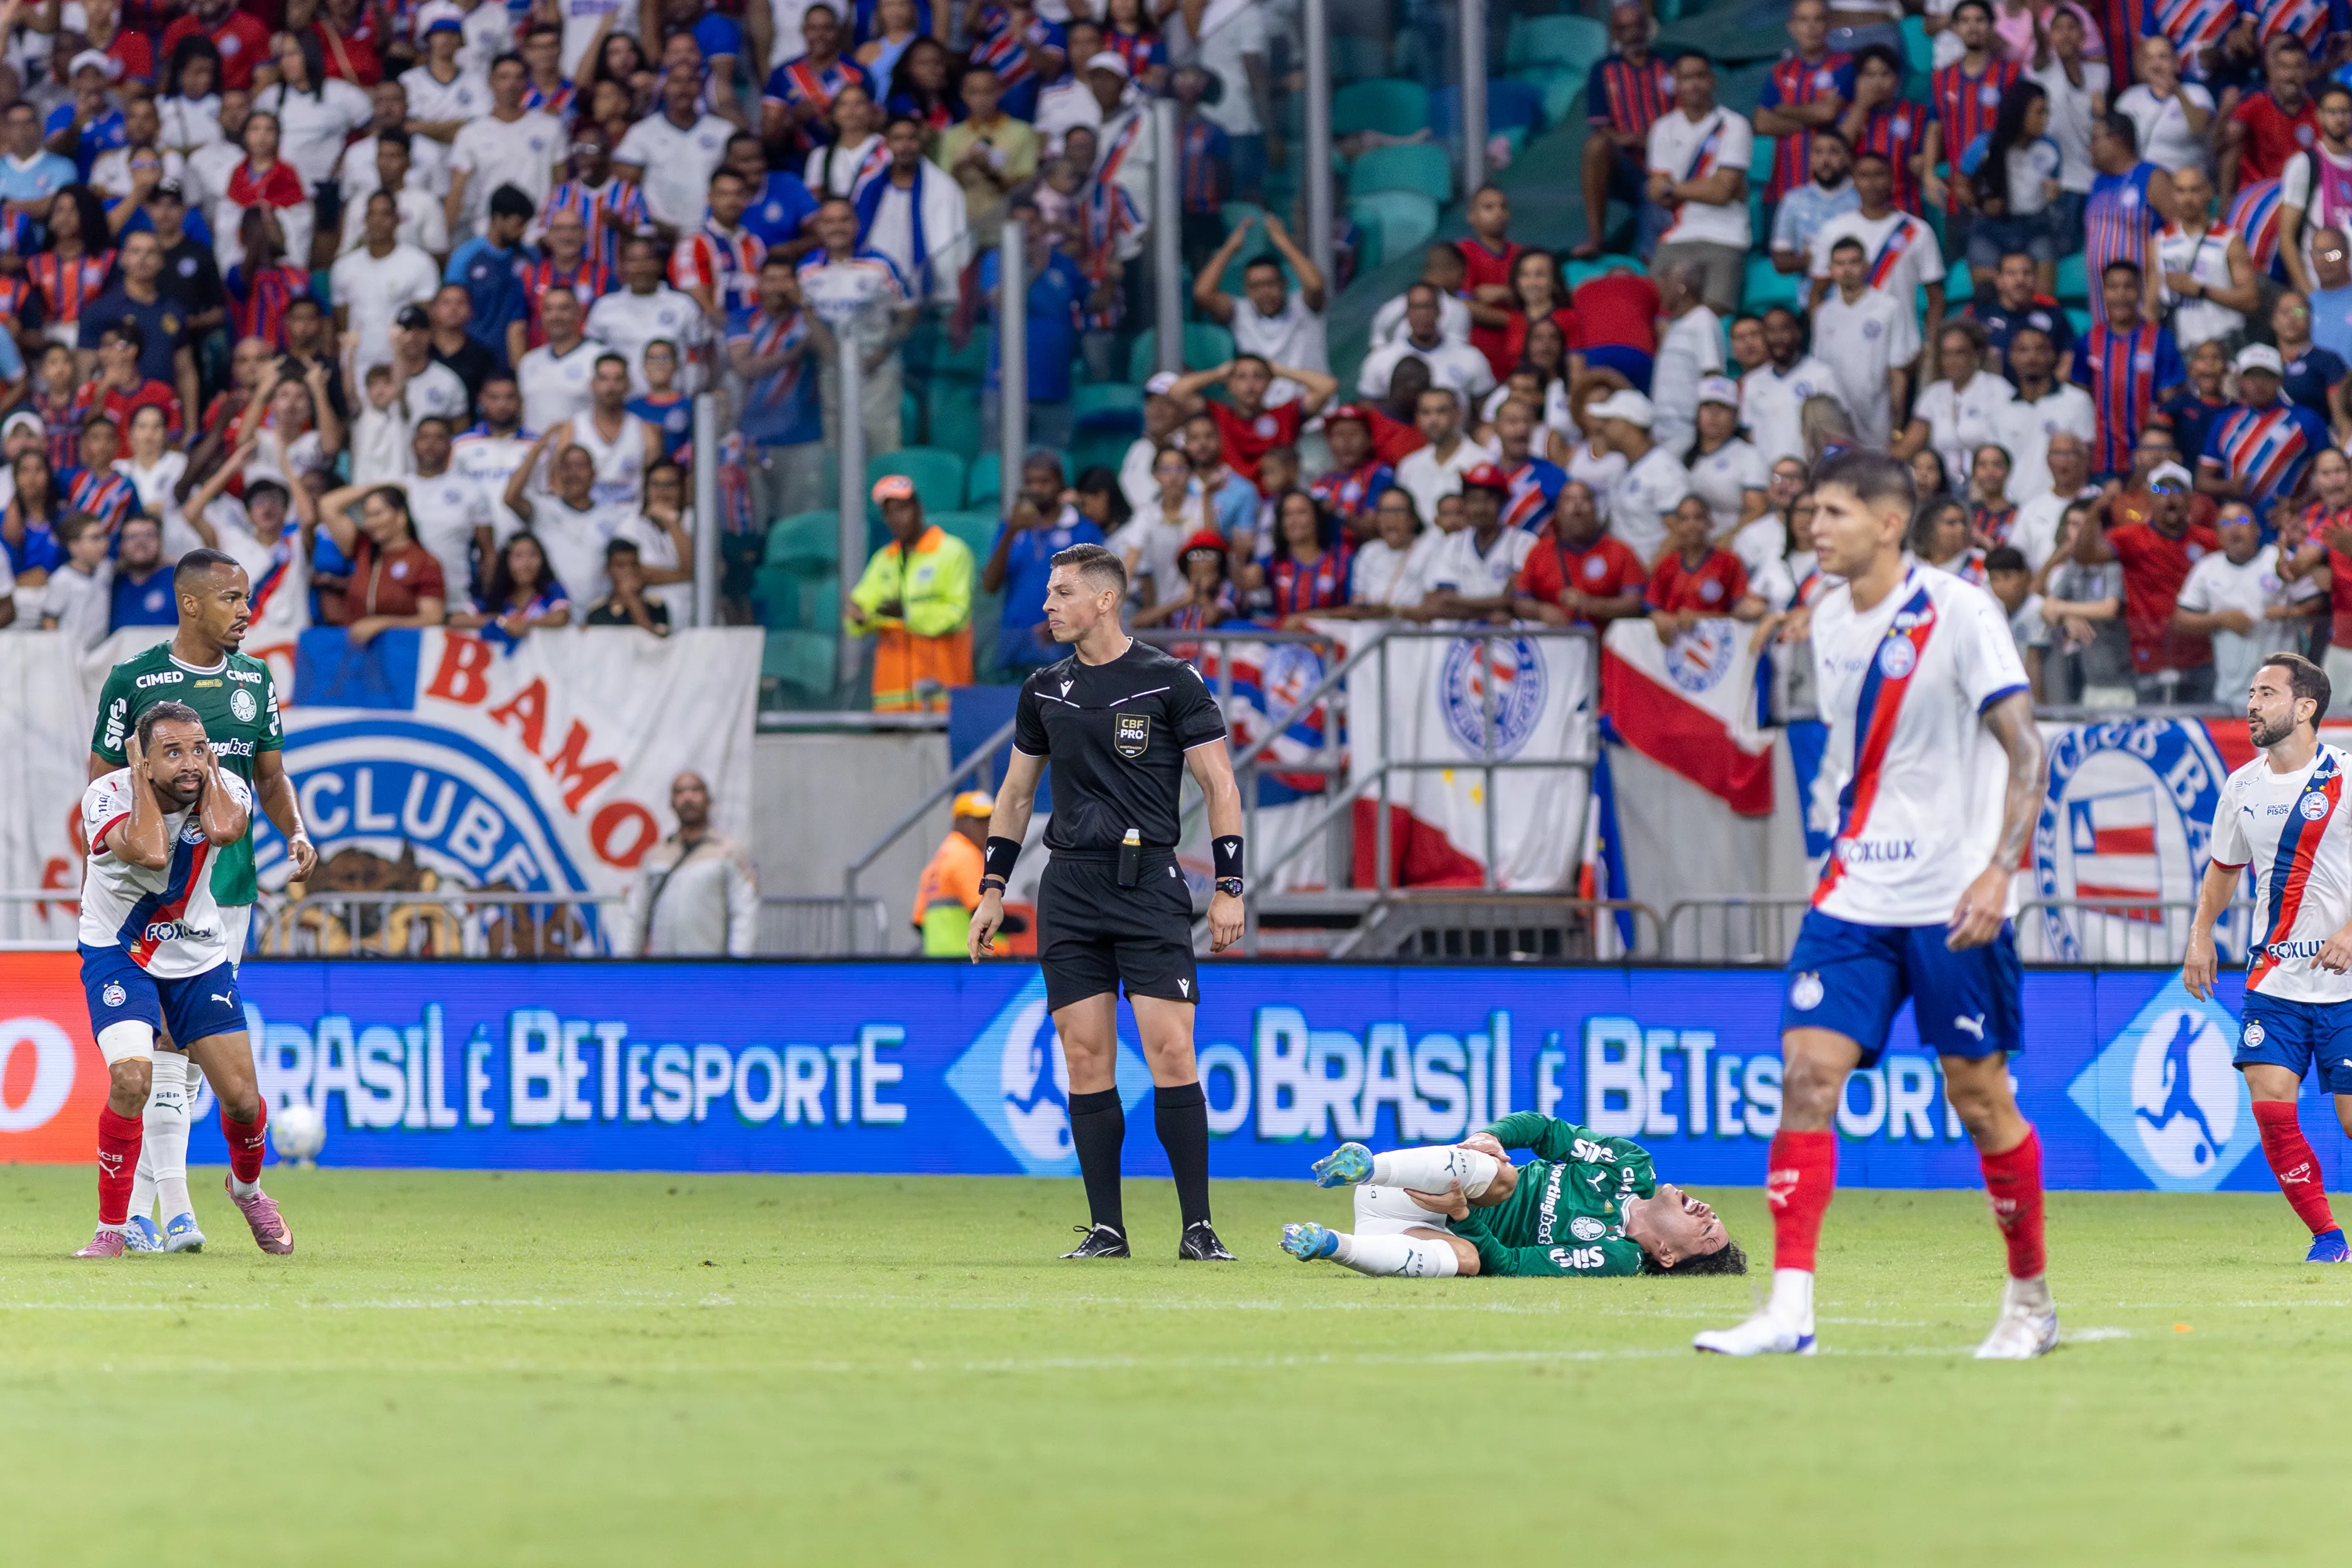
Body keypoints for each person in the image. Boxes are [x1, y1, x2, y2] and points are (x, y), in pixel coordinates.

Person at [1693, 449, 2052, 1361]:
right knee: (1807, 1078)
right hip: (1855, 892)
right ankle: (1790, 1311)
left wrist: (2000, 871)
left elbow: (2028, 749)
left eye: (1833, 513)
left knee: (1979, 1099)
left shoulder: (1961, 611)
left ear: (1889, 524)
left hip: (1953, 899)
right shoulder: (1825, 617)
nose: (1813, 526)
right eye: (1811, 511)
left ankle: (2030, 1302)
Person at [966, 542, 1244, 1261]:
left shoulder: (1171, 680)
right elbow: (1016, 795)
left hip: (1149, 883)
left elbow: (1219, 784)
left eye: (1062, 593)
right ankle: (1107, 1229)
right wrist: (992, 889)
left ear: (1105, 599)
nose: (1048, 605)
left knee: (1171, 1050)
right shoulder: (1043, 689)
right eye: (1049, 592)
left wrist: (1229, 886)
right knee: (1085, 1057)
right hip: (1069, 887)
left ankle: (1198, 1227)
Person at [85, 546, 313, 1254]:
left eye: (247, 598)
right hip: (143, 897)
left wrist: (296, 831)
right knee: (156, 1052)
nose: (246, 610)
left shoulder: (255, 679)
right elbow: (104, 782)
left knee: (190, 1062)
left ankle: (160, 1211)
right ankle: (159, 1213)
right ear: (191, 603)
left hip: (222, 888)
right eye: (232, 599)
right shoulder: (133, 678)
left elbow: (269, 777)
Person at [72, 702, 288, 1260]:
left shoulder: (224, 788)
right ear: (142, 760)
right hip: (120, 953)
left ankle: (248, 1191)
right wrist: (139, 776)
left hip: (197, 954)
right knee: (131, 1080)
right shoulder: (105, 796)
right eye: (173, 753)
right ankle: (113, 1227)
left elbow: (226, 829)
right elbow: (150, 851)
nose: (190, 762)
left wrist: (206, 768)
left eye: (198, 749)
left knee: (243, 1102)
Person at [2182, 655, 2352, 1265]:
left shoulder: (2346, 776)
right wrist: (2200, 934)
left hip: (2346, 985)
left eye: (2267, 693)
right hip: (2274, 978)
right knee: (2270, 1105)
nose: (2251, 704)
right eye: (2252, 692)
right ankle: (2329, 1239)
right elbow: (2224, 869)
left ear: (2305, 707)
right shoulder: (2241, 786)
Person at [1283, 1111, 1741, 1278]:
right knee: (1502, 1176)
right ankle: (1367, 1167)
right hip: (1410, 1183)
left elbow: (1507, 1264)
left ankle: (1330, 1245)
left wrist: (1462, 1217)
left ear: (1666, 1254)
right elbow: (1543, 1130)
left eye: (1707, 1233)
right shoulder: (1629, 1165)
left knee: (1471, 1262)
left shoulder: (1618, 1256)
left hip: (1405, 1237)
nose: (1709, 1214)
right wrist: (1491, 1136)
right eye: (1715, 1220)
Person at [2071, 460, 2221, 702]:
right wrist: (2096, 511)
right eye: (2160, 490)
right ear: (2149, 498)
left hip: (2200, 659)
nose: (2169, 497)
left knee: (2201, 724)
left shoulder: (2210, 541)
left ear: (2191, 499)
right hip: (2149, 658)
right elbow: (2085, 556)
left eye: (2178, 490)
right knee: (2152, 723)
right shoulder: (2129, 538)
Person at [847, 475, 973, 712]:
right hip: (891, 700)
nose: (895, 518)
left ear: (919, 509)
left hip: (941, 696)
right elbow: (861, 609)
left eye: (902, 509)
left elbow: (957, 614)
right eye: (889, 513)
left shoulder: (952, 552)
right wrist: (859, 618)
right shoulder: (884, 559)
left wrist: (906, 613)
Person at [2172, 504, 2324, 700]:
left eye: (2242, 521)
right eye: (2226, 523)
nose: (2234, 529)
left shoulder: (2278, 559)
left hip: (2283, 693)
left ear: (2257, 529)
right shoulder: (2207, 568)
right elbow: (2181, 619)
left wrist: (2287, 613)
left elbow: (2317, 606)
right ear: (2217, 535)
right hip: (2230, 695)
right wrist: (2220, 619)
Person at [1646, 51, 1753, 314]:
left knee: (1711, 315)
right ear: (1675, 82)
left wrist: (1672, 187)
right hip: (1677, 236)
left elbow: (1722, 192)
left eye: (1700, 76)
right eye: (1685, 78)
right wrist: (1708, 186)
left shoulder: (1734, 125)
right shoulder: (1663, 128)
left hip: (1726, 237)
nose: (1693, 84)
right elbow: (1658, 195)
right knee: (1654, 310)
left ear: (1712, 80)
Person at [1807, 149, 1946, 349]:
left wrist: (1931, 346)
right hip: (1849, 345)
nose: (1872, 182)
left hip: (1902, 346)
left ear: (1892, 180)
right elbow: (1817, 293)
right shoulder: (1833, 230)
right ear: (1854, 181)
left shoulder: (1917, 231)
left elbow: (1936, 299)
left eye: (1879, 175)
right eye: (1864, 176)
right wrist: (1825, 338)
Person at [1192, 214, 1327, 407]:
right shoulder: (1241, 312)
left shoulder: (1304, 306)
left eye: (1270, 284)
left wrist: (1283, 242)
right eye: (1255, 286)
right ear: (1246, 290)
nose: (1264, 292)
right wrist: (1229, 249)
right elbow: (1202, 294)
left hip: (1312, 411)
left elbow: (1315, 285)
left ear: (1284, 284)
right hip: (1264, 414)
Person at [620, 772, 760, 957]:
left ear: (709, 801)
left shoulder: (730, 852)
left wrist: (737, 968)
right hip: (662, 968)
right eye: (680, 792)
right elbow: (636, 915)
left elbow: (744, 914)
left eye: (695, 790)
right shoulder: (655, 855)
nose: (688, 797)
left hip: (709, 967)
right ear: (671, 803)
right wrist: (624, 966)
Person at [2197, 344, 2330, 527]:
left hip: (2290, 526)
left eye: (2267, 376)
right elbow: (2202, 480)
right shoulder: (2225, 421)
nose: (2258, 383)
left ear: (2280, 380)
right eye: (2251, 376)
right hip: (2239, 525)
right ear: (2240, 380)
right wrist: (2229, 487)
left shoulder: (2307, 420)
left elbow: (2332, 472)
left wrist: (2297, 505)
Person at [2074, 260, 2185, 479]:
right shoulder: (2088, 342)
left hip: (2150, 465)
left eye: (2128, 287)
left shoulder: (2160, 339)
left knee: (2151, 502)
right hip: (2102, 465)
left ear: (2140, 291)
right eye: (2113, 287)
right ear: (2103, 293)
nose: (2120, 295)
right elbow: (2080, 401)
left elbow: (2169, 403)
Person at [303, 482, 451, 645]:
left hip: (402, 651)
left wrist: (382, 624)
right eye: (367, 516)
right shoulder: (362, 548)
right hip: (355, 650)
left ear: (401, 517)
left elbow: (432, 618)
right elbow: (327, 505)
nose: (370, 523)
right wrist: (376, 488)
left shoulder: (424, 562)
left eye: (377, 514)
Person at [1812, 234, 1920, 452]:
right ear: (1831, 270)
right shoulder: (1823, 314)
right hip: (1837, 421)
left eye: (1853, 262)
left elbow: (1898, 371)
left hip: (1878, 419)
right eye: (1840, 264)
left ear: (1867, 267)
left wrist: (1897, 427)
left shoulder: (1888, 308)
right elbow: (1819, 372)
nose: (1847, 270)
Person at [1167, 354, 1336, 491]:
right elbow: (1176, 391)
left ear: (1269, 382)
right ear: (1229, 384)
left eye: (1258, 377)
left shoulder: (1285, 415)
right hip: (1230, 501)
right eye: (1241, 377)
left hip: (1276, 503)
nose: (1250, 384)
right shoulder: (1218, 415)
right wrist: (1218, 373)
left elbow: (1327, 386)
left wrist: (1280, 371)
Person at [1897, 321, 2015, 494]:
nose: (1952, 361)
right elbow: (1910, 445)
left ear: (1976, 354)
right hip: (1942, 486)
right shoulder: (1933, 394)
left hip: (1985, 486)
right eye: (1946, 354)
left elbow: (2009, 445)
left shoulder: (1998, 390)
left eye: (1960, 353)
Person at [2159, 165, 2260, 354]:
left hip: (2226, 344)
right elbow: (2151, 307)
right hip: (2182, 348)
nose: (2188, 199)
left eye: (2194, 190)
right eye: (2181, 191)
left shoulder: (2229, 240)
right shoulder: (2160, 241)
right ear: (2173, 195)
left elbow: (2251, 299)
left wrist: (2201, 290)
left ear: (2208, 192)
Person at [2086, 111, 2170, 329]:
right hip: (2102, 307)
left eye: (2095, 139)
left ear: (2117, 140)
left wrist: (2155, 295)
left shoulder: (2152, 177)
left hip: (2143, 302)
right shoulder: (2097, 183)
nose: (2089, 148)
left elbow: (2179, 233)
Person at [1740, 305, 1846, 467]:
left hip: (1811, 471)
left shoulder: (1821, 375)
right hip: (1769, 474)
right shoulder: (1753, 382)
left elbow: (1837, 430)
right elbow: (1749, 433)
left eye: (1784, 330)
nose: (1777, 338)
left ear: (1798, 332)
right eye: (1771, 331)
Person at [1355, 285, 1494, 404]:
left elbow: (1484, 410)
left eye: (1428, 307)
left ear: (1440, 311)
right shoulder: (1381, 359)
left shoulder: (1470, 357)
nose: (1422, 314)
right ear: (1407, 313)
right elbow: (1368, 408)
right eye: (1416, 308)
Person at [913, 790, 999, 957]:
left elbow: (917, 921)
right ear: (960, 821)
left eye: (991, 820)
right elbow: (983, 912)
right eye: (980, 820)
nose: (988, 827)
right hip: (969, 961)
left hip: (939, 960)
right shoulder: (966, 855)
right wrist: (1020, 923)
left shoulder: (940, 858)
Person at [1969, 250, 2076, 383]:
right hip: (1993, 393)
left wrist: (2050, 390)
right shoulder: (1980, 316)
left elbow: (2069, 356)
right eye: (2011, 274)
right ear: (1999, 280)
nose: (2020, 280)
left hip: (2044, 392)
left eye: (2027, 273)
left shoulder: (2054, 315)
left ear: (2036, 279)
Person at [1650, 261, 1723, 455]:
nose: (1660, 291)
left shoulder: (1703, 320)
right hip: (1662, 428)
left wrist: (1706, 429)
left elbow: (1712, 374)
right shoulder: (1675, 325)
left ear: (1681, 287)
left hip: (1687, 429)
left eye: (1665, 284)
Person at [1771, 124, 1862, 276]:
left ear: (1847, 158)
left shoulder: (1861, 198)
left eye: (1834, 152)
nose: (1825, 160)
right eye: (1818, 152)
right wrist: (1815, 260)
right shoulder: (1794, 200)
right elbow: (1781, 261)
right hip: (1810, 289)